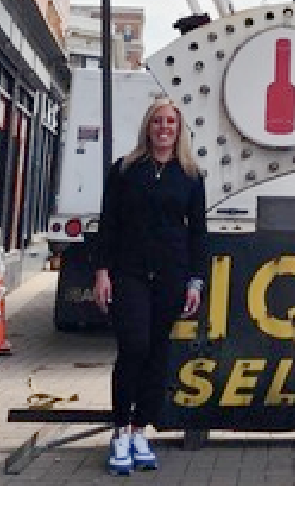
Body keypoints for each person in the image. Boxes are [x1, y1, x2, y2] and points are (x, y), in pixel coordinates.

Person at [93, 96, 208, 476]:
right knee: (134, 347)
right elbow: (108, 223)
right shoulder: (125, 170)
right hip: (129, 272)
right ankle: (120, 432)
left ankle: (141, 430)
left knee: (158, 353)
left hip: (171, 277)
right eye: (158, 121)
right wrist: (102, 271)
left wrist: (195, 280)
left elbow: (198, 234)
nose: (163, 128)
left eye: (170, 123)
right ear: (148, 126)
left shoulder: (190, 175)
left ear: (179, 130)